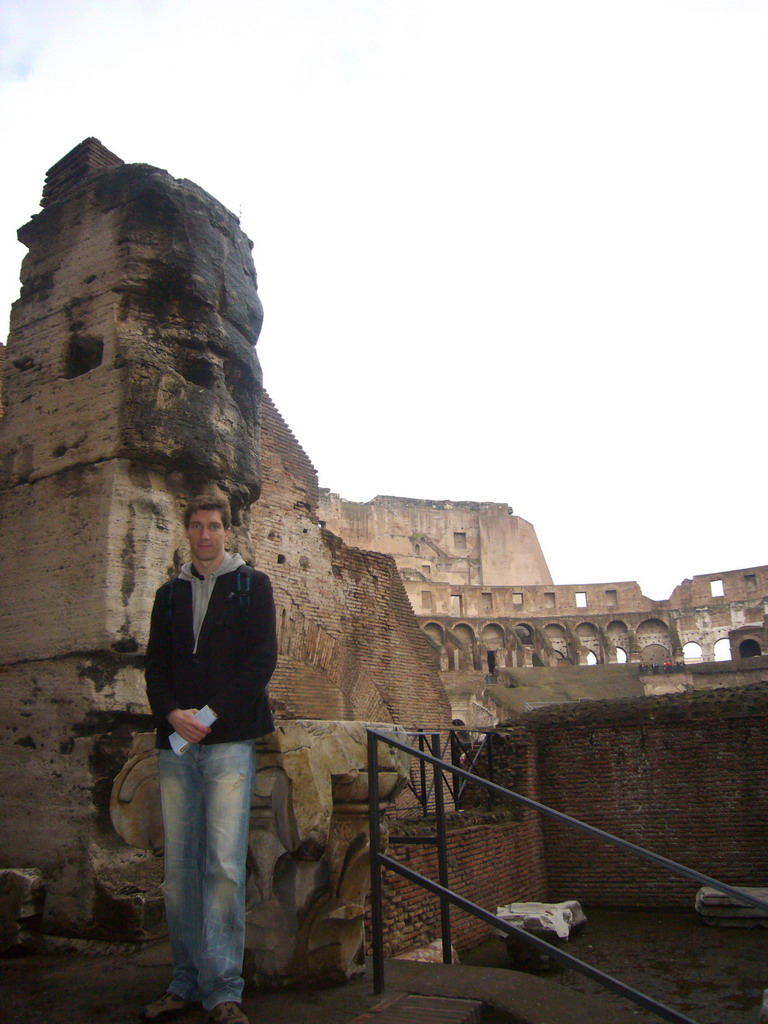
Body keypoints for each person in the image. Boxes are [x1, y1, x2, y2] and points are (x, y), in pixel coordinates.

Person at [142, 495, 278, 1024]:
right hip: (177, 742)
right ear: (187, 532)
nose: (205, 535)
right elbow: (155, 665)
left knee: (222, 865)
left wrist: (211, 714)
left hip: (228, 740)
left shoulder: (253, 586)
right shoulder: (167, 594)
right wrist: (173, 714)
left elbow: (261, 660)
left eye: (214, 526)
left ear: (228, 531)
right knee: (179, 870)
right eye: (197, 526)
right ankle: (184, 980)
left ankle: (223, 989)